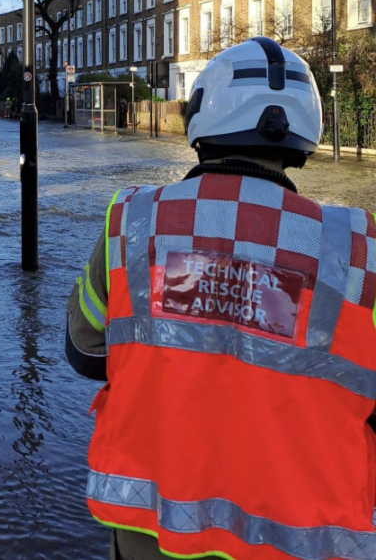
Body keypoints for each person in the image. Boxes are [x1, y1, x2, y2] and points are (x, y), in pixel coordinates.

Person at [66, 37, 376, 560]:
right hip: (304, 540)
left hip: (153, 527)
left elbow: (85, 348)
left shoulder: (133, 221)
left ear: (200, 118)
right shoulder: (357, 248)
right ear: (303, 134)